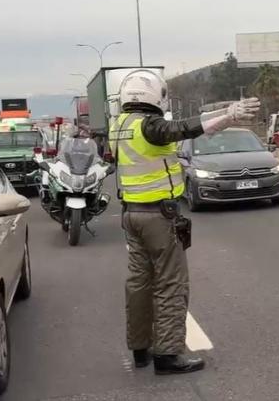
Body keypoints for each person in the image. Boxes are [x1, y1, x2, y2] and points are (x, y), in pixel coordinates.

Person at [110, 69, 259, 375]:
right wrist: (228, 114)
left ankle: (140, 349)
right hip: (158, 217)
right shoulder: (149, 126)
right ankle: (168, 354)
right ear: (153, 95)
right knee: (169, 283)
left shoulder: (119, 126)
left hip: (131, 214)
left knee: (139, 282)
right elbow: (184, 128)